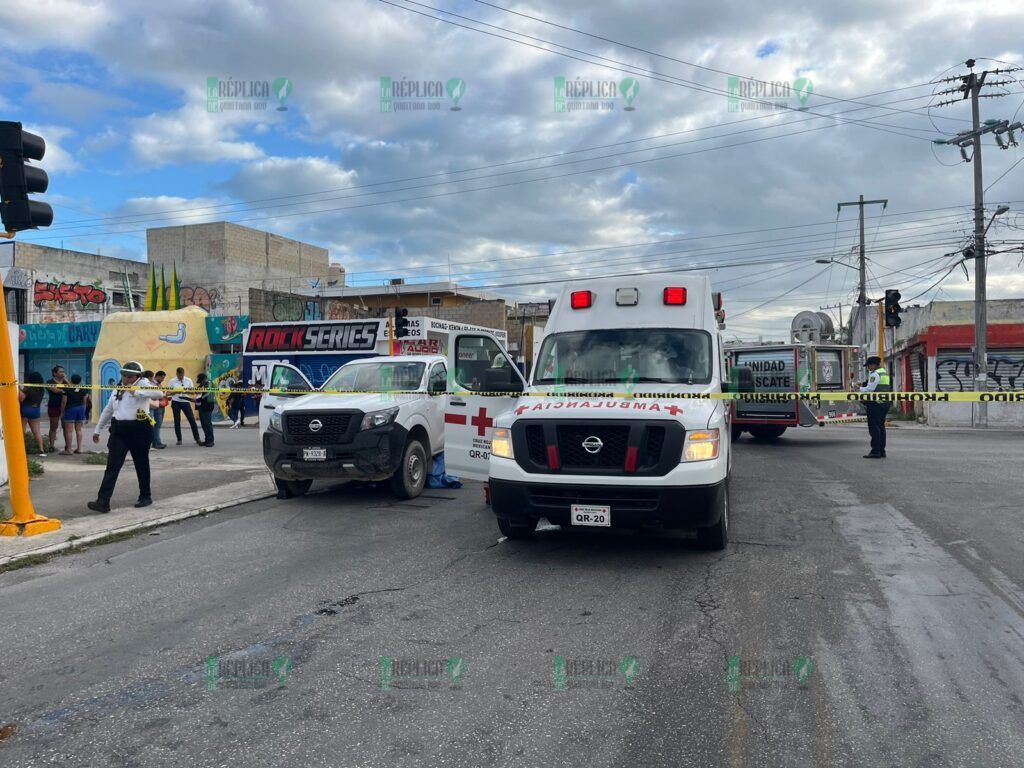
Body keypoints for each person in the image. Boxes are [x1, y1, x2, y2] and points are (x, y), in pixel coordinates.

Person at [87, 361, 163, 513]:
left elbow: (159, 394)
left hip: (140, 429)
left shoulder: (143, 383)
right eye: (124, 375)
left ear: (137, 376)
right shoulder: (119, 387)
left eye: (129, 376)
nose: (126, 378)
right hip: (119, 431)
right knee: (112, 466)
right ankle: (103, 501)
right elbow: (109, 409)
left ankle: (145, 496)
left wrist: (137, 392)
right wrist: (98, 429)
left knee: (141, 464)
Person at [858, 356, 892, 459]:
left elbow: (869, 390)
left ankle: (875, 451)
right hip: (884, 403)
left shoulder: (875, 374)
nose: (868, 368)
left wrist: (858, 388)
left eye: (868, 365)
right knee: (881, 427)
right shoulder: (884, 373)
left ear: (873, 365)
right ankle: (882, 451)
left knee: (874, 427)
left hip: (875, 404)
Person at [167, 366, 201, 446]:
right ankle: (179, 439)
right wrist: (175, 392)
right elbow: (168, 393)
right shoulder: (172, 381)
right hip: (176, 402)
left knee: (192, 420)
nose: (180, 377)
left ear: (183, 374)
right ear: (176, 374)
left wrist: (186, 391)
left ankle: (197, 439)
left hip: (185, 401)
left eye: (182, 375)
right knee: (177, 421)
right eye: (179, 376)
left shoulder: (188, 380)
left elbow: (193, 392)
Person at [59, 373, 89, 455]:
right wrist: (84, 410)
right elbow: (85, 401)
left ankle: (69, 449)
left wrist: (62, 411)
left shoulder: (67, 389)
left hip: (70, 409)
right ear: (80, 381)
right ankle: (79, 448)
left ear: (71, 380)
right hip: (80, 409)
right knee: (79, 430)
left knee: (69, 431)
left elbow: (64, 401)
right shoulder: (83, 389)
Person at [20, 371, 47, 457]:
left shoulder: (28, 388)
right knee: (37, 432)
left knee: (21, 431)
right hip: (35, 410)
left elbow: (21, 398)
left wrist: (18, 388)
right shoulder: (41, 388)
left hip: (25, 409)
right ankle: (41, 450)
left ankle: (21, 449)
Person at [45, 364, 68, 453]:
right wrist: (63, 390)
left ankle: (67, 445)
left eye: (63, 371)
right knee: (54, 426)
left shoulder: (65, 382)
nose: (63, 373)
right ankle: (52, 446)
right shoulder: (49, 381)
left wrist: (65, 380)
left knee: (65, 427)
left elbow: (71, 388)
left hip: (65, 407)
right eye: (61, 372)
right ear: (55, 373)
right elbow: (54, 390)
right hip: (54, 406)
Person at [195, 372, 216, 447]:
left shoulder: (209, 383)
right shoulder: (203, 384)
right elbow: (197, 390)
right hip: (202, 405)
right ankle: (207, 439)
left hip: (208, 405)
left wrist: (200, 398)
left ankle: (210, 441)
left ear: (204, 379)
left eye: (201, 381)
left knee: (207, 423)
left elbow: (207, 393)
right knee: (203, 424)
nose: (200, 383)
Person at [150, 370, 168, 449]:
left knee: (158, 425)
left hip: (160, 405)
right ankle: (157, 442)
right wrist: (164, 394)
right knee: (156, 425)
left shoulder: (159, 384)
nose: (162, 380)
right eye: (162, 378)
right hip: (155, 406)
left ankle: (156, 442)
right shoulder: (151, 384)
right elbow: (153, 395)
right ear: (157, 376)